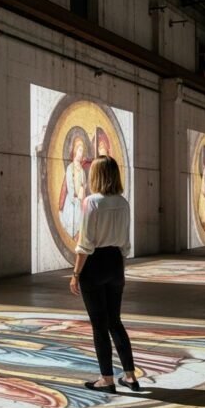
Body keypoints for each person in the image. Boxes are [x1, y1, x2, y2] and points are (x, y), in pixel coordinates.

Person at [69, 155, 138, 394]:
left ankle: (106, 379)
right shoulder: (123, 203)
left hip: (95, 264)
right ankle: (130, 377)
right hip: (116, 263)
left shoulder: (92, 202)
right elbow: (125, 244)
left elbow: (85, 243)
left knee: (99, 326)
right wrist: (120, 269)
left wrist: (76, 273)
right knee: (115, 322)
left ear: (96, 175)